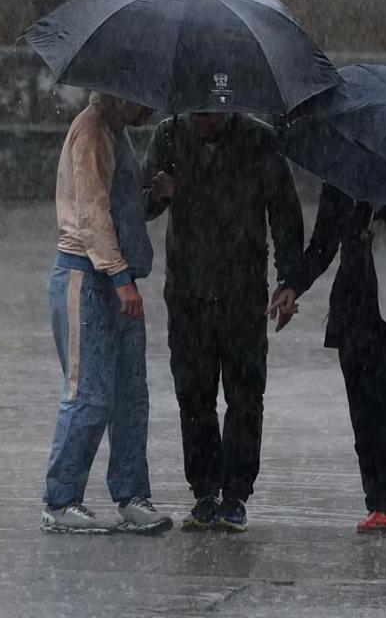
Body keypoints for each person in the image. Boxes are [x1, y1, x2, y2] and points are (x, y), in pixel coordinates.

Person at [144, 112, 303, 532]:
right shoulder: (168, 135)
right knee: (193, 395)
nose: (203, 122)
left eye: (211, 113)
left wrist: (290, 280)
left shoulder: (259, 140)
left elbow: (285, 212)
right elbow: (141, 203)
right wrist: (159, 194)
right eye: (196, 113)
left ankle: (235, 493)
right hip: (187, 292)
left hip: (243, 291)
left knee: (245, 395)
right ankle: (204, 491)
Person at [271, 183, 386, 533]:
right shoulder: (344, 178)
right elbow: (324, 242)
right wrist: (294, 284)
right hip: (354, 308)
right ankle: (380, 501)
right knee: (363, 408)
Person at [39, 91, 173, 534]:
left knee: (130, 396)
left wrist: (155, 197)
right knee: (89, 394)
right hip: (87, 278)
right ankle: (60, 500)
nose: (151, 112)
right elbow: (92, 212)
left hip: (119, 279)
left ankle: (132, 494)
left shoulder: (118, 133)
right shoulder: (92, 130)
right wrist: (118, 277)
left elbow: (125, 208)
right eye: (146, 101)